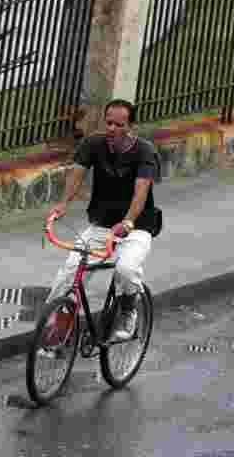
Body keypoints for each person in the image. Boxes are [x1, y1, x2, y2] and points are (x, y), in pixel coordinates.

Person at [47, 98, 159, 342]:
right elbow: (77, 174)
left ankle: (129, 310)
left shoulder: (144, 151)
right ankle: (61, 332)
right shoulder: (93, 144)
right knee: (67, 277)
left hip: (136, 229)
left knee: (126, 269)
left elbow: (141, 191)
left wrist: (128, 222)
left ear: (131, 127)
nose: (111, 128)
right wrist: (63, 203)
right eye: (108, 122)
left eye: (118, 125)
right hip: (101, 226)